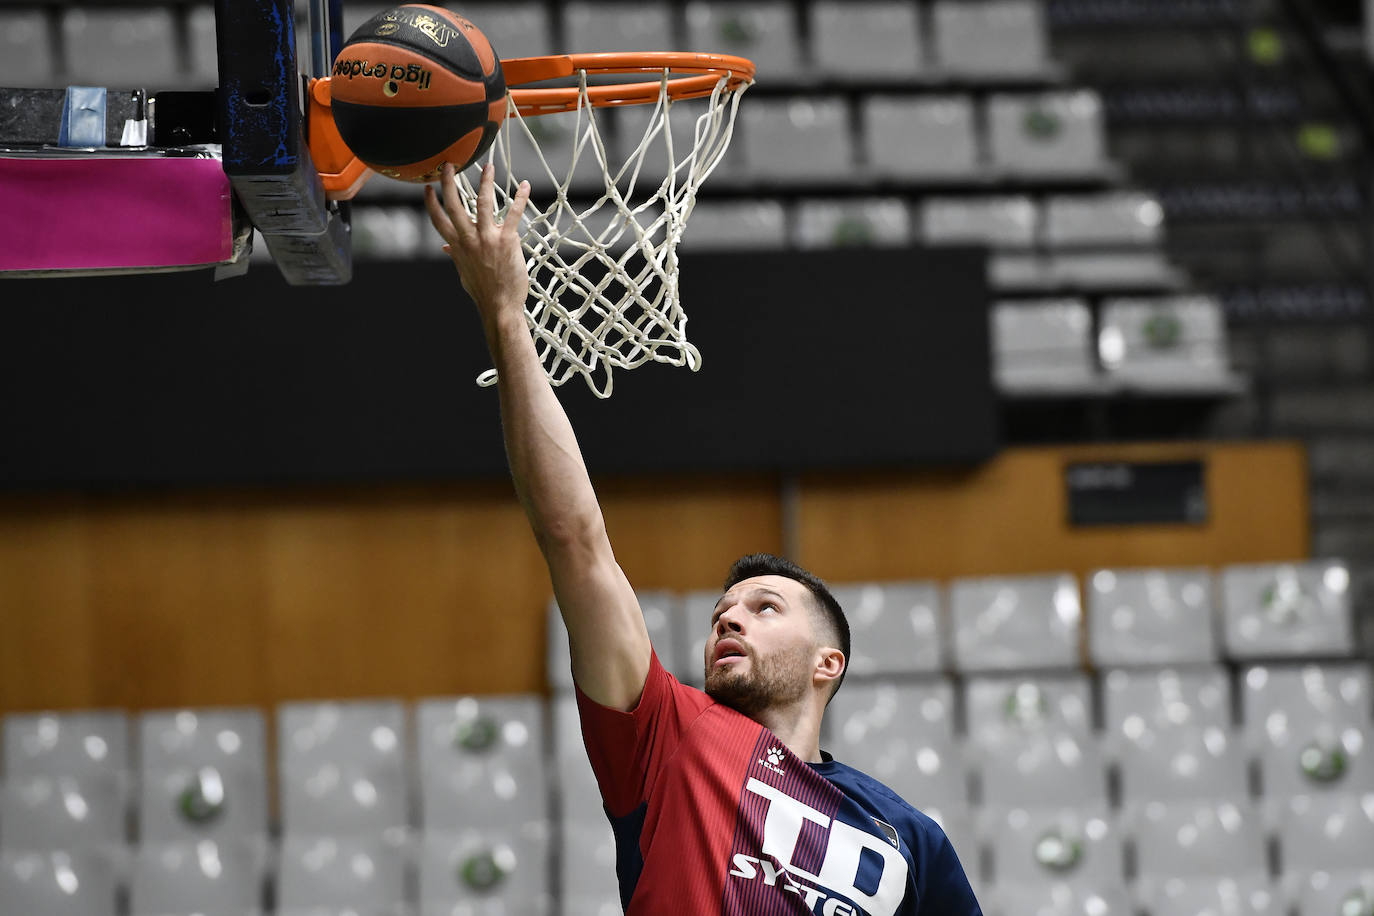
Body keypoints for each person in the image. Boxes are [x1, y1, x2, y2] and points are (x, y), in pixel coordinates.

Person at [425, 162, 982, 915]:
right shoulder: (667, 734)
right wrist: (505, 316)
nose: (730, 615)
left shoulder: (907, 838)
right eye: (726, 608)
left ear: (830, 663)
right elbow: (575, 542)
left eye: (765, 607)